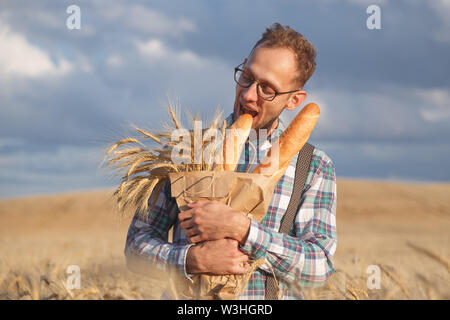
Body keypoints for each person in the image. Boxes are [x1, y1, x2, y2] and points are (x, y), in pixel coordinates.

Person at [124, 23, 337, 300]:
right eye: (246, 77)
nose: (248, 94)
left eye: (267, 89)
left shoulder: (314, 166)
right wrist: (190, 260)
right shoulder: (188, 149)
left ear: (294, 100)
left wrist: (243, 230)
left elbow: (319, 266)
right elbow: (136, 245)